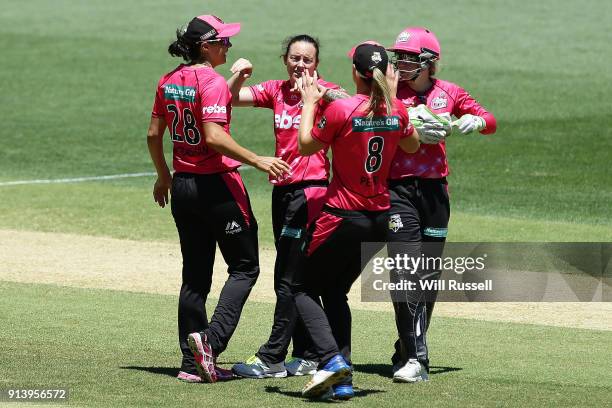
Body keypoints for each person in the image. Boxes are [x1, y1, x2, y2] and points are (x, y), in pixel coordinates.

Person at [146, 14, 290, 384]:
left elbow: (153, 134)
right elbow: (212, 135)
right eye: (222, 41)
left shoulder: (169, 80)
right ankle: (210, 344)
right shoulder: (207, 79)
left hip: (183, 187)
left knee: (195, 278)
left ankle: (190, 364)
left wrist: (164, 176)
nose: (228, 46)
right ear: (204, 46)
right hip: (218, 188)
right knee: (245, 267)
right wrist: (258, 159)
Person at [293, 42, 420, 399]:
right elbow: (410, 147)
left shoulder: (343, 110)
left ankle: (332, 361)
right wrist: (392, 101)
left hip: (341, 216)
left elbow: (305, 145)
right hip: (379, 219)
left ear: (355, 72)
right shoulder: (397, 111)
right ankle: (343, 380)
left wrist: (309, 103)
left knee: (298, 287)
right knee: (334, 291)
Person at [226, 35, 347, 379]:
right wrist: (240, 75)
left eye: (307, 60)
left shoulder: (323, 92)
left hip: (310, 193)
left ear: (317, 63)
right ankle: (309, 354)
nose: (300, 65)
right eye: (295, 58)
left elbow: (352, 102)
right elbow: (229, 99)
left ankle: (273, 358)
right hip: (283, 192)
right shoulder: (277, 91)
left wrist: (324, 92)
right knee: (297, 275)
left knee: (287, 278)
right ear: (285, 60)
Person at [385, 27, 497, 382]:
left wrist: (475, 120)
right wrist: (407, 121)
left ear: (428, 62)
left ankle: (407, 348)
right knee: (404, 273)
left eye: (409, 58)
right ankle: (418, 360)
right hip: (397, 191)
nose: (401, 64)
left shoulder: (449, 92)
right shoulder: (389, 91)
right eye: (398, 57)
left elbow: (491, 121)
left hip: (434, 194)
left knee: (427, 277)